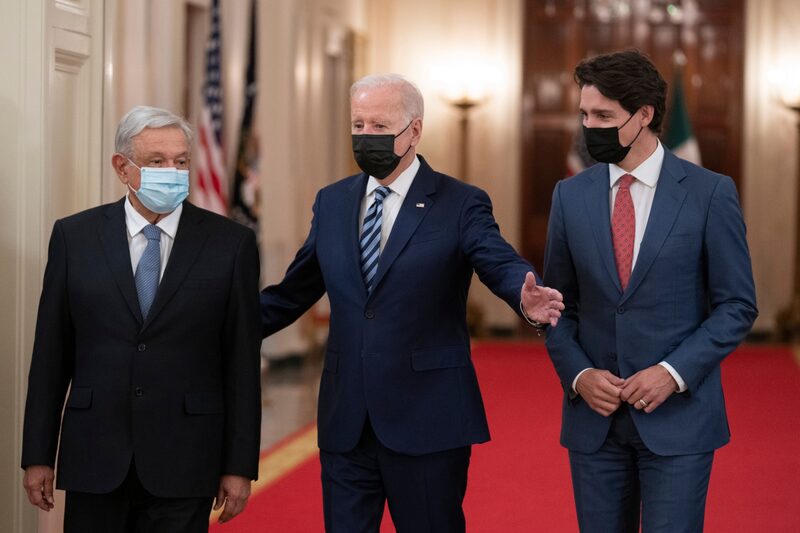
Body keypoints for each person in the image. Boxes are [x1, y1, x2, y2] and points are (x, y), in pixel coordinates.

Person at [259, 73, 564, 532]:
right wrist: (220, 321)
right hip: (347, 419)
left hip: (427, 418)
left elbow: (495, 259)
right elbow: (294, 291)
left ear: (414, 131)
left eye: (379, 127)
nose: (365, 138)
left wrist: (525, 295)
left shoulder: (459, 202)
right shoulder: (333, 202)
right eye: (357, 126)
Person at [543, 49, 758, 532]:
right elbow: (557, 307)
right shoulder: (569, 195)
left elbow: (737, 306)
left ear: (645, 115)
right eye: (583, 114)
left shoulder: (710, 192)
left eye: (603, 116)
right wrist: (578, 375)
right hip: (594, 422)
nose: (588, 127)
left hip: (678, 419)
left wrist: (671, 372)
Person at [21, 106, 262, 532]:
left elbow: (241, 366)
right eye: (156, 162)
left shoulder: (231, 244)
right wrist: (38, 454)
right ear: (123, 168)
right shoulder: (74, 238)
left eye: (181, 161)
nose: (173, 171)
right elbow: (50, 357)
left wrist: (239, 465)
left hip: (187, 458)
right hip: (96, 456)